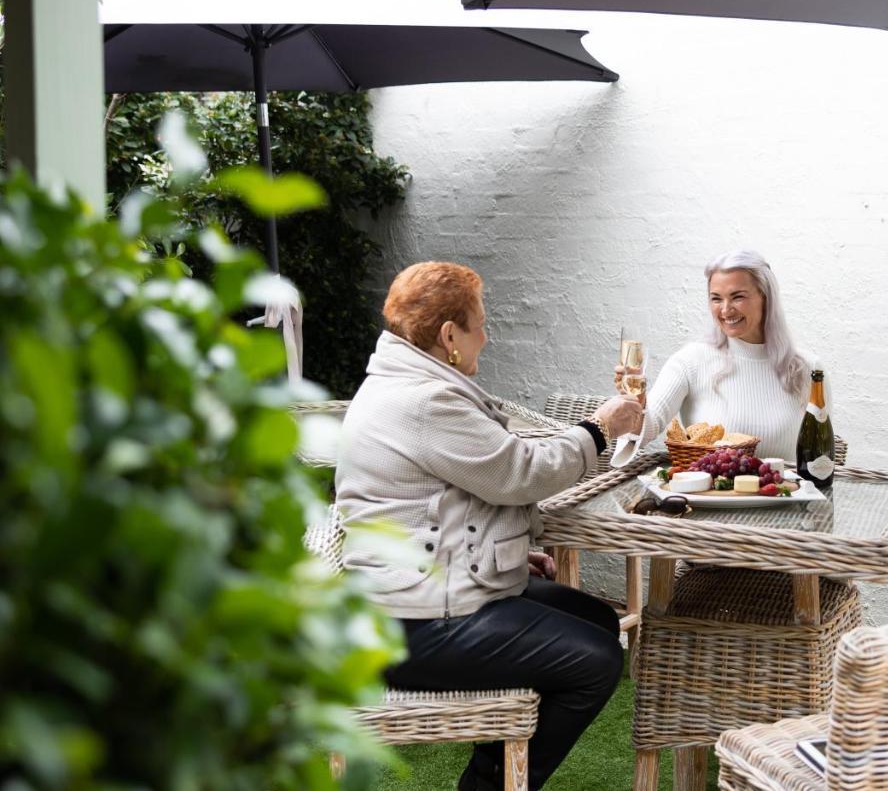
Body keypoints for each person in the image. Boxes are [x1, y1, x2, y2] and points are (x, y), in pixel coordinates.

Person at [336, 261, 644, 791]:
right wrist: (599, 428)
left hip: (421, 595)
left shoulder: (407, 382)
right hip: (410, 624)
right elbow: (518, 472)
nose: (488, 333)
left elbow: (446, 495)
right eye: (481, 322)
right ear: (448, 335)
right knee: (596, 661)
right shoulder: (423, 400)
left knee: (598, 619)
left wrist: (509, 549)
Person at [620, 249, 825, 460]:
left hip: (786, 492)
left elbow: (820, 455)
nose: (726, 310)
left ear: (765, 298)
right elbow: (642, 433)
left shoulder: (808, 368)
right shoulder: (689, 362)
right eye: (716, 299)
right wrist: (636, 401)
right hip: (711, 493)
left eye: (738, 297)